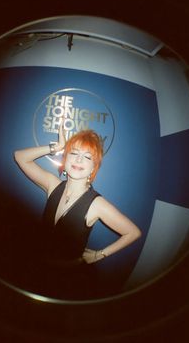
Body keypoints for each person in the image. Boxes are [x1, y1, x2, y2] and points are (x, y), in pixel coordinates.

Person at [14, 121, 141, 299]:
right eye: (73, 153)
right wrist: (56, 147)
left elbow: (133, 232)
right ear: (65, 159)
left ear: (93, 168)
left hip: (68, 281)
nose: (79, 160)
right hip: (37, 271)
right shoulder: (53, 185)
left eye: (88, 157)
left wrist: (99, 255)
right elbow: (20, 156)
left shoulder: (96, 204)